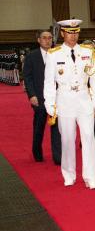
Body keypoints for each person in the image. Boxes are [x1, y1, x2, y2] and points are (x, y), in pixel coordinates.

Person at [44, 19, 95, 189]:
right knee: (68, 139)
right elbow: (48, 82)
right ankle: (68, 173)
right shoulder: (54, 54)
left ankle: (90, 176)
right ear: (62, 33)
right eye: (69, 32)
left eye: (75, 32)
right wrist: (51, 105)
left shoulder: (87, 51)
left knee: (89, 138)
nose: (73, 36)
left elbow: (94, 79)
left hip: (84, 100)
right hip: (65, 100)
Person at [23, 29, 61, 164]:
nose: (47, 40)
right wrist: (31, 95)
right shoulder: (31, 56)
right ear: (38, 40)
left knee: (56, 128)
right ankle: (37, 152)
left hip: (56, 98)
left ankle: (58, 157)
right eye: (44, 38)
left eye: (50, 38)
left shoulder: (58, 54)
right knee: (39, 127)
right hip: (38, 97)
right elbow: (27, 77)